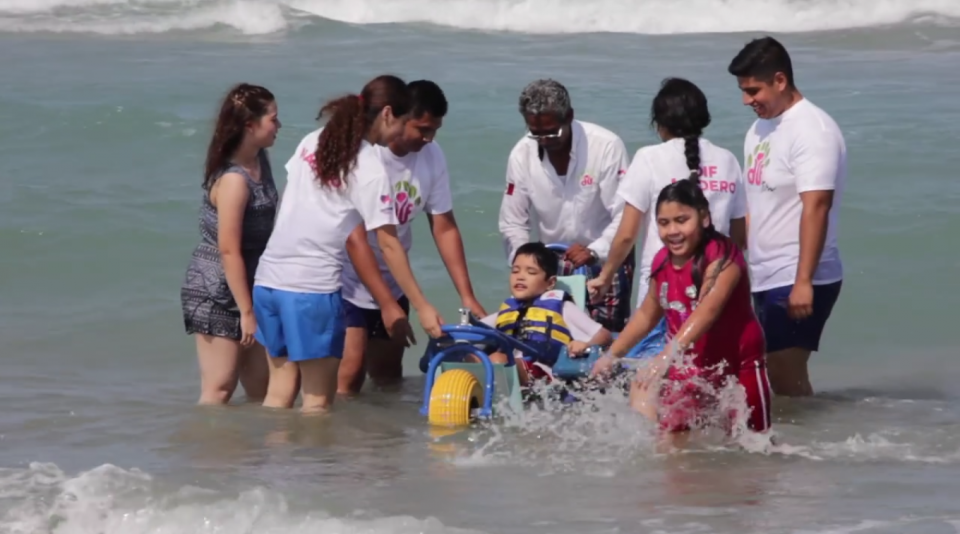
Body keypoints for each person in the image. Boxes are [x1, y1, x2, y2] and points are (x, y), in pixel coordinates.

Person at [251, 75, 444, 413]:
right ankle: (317, 467)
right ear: (386, 114)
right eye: (399, 124)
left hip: (269, 281)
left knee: (279, 395)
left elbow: (293, 202)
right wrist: (421, 305)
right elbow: (388, 242)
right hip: (310, 287)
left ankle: (270, 466)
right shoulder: (369, 166)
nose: (399, 134)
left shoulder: (316, 140)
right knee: (317, 404)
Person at [591, 179, 771, 450]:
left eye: (682, 220)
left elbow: (708, 310)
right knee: (670, 443)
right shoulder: (662, 262)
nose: (673, 231)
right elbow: (646, 315)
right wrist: (611, 355)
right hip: (689, 367)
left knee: (754, 447)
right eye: (664, 223)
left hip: (739, 365)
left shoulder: (723, 257)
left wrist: (666, 355)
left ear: (705, 218)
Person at [337, 80, 487, 395]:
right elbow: (356, 240)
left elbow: (444, 225)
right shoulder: (368, 156)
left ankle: (384, 444)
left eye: (435, 130)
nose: (429, 138)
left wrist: (467, 295)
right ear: (402, 118)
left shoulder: (432, 155)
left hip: (395, 278)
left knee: (388, 378)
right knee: (349, 375)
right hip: (346, 280)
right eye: (422, 129)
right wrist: (388, 304)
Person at [587, 77, 747, 359]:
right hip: (714, 296)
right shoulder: (728, 160)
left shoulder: (649, 158)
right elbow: (739, 235)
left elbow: (626, 234)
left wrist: (606, 275)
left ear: (660, 123)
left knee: (650, 382)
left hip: (663, 298)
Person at [728, 36, 847, 397]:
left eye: (753, 90)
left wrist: (803, 281)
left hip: (799, 273)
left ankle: (807, 447)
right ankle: (792, 445)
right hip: (765, 274)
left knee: (783, 373)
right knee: (763, 372)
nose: (747, 100)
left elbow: (817, 206)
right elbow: (755, 203)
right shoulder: (758, 129)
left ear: (780, 80)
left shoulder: (813, 130)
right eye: (743, 91)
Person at [498, 78, 633, 333]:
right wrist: (526, 264)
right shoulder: (521, 153)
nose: (544, 140)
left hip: (607, 254)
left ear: (569, 116)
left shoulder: (605, 146)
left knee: (603, 338)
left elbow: (624, 215)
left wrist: (596, 251)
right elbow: (512, 221)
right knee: (550, 334)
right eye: (536, 133)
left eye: (551, 132)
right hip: (552, 259)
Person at [180, 83, 280, 405]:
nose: (278, 126)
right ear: (250, 126)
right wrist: (247, 312)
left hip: (254, 280)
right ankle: (210, 453)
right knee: (220, 386)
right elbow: (228, 249)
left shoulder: (260, 160)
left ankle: (250, 455)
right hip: (217, 288)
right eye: (273, 119)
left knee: (261, 387)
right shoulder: (235, 180)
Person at [475, 242, 612, 386]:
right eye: (515, 271)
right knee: (470, 356)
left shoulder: (562, 308)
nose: (520, 277)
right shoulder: (506, 311)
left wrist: (584, 344)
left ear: (551, 283)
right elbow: (475, 329)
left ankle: (493, 403)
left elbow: (604, 335)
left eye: (531, 272)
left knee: (497, 360)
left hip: (542, 374)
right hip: (508, 366)